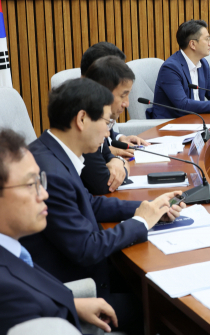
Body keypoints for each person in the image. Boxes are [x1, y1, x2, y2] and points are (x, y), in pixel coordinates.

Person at [21, 78, 184, 333]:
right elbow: (87, 248)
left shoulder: (52, 152)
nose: (109, 134)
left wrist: (150, 209)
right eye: (107, 123)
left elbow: (90, 204)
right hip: (77, 291)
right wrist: (140, 222)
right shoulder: (51, 173)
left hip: (88, 273)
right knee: (168, 308)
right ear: (82, 119)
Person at [0, 129, 119, 334]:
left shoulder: (2, 245)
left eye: (40, 181)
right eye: (30, 185)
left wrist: (73, 305)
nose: (44, 194)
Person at [82, 56, 151, 194]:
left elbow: (109, 155)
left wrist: (117, 160)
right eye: (123, 96)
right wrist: (122, 164)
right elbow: (105, 184)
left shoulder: (98, 122)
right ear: (103, 93)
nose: (127, 104)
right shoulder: (87, 128)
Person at [148, 20, 210, 119]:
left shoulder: (203, 64)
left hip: (196, 119)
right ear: (192, 44)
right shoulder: (170, 68)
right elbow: (183, 104)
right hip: (172, 122)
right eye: (207, 39)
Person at [80, 42, 149, 159]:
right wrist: (108, 153)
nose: (126, 103)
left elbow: (107, 134)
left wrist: (120, 138)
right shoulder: (82, 110)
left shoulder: (98, 103)